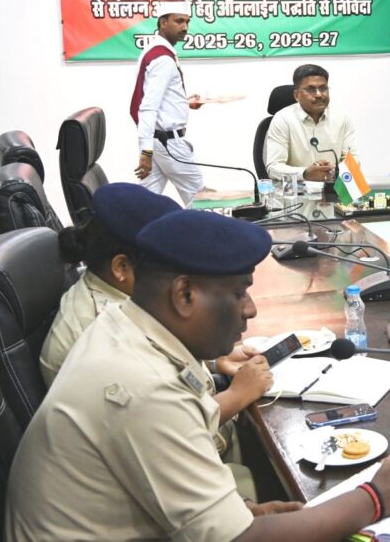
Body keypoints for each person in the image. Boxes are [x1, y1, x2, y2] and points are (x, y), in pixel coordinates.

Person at [6, 210, 390, 541]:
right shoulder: (142, 387)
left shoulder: (123, 325)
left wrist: (237, 511)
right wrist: (376, 498)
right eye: (238, 292)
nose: (250, 308)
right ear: (184, 294)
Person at [40, 182, 271, 442]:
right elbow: (165, 422)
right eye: (164, 263)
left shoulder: (120, 304)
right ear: (121, 267)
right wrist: (237, 395)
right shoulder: (102, 332)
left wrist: (215, 361)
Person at [130, 0, 205, 205]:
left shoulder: (155, 50)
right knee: (200, 199)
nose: (185, 27)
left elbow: (156, 96)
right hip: (169, 144)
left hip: (158, 142)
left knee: (146, 203)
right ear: (163, 22)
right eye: (179, 21)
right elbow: (148, 106)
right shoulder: (163, 59)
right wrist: (145, 151)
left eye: (187, 22)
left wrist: (183, 103)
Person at [264, 64, 358, 182]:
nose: (319, 94)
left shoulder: (342, 117)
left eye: (323, 88)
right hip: (297, 189)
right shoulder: (282, 119)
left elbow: (353, 159)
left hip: (334, 186)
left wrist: (336, 170)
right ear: (296, 95)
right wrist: (305, 173)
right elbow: (273, 167)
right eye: (311, 89)